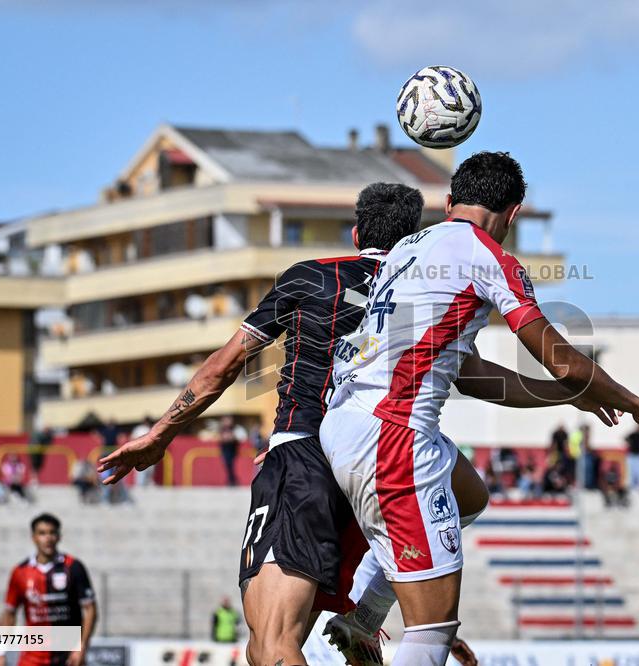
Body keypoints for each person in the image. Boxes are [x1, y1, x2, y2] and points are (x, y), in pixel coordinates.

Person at [96, 183, 585, 666]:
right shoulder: (419, 290)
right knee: (469, 498)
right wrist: (569, 390)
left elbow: (224, 367)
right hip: (381, 462)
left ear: (355, 235)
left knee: (271, 645)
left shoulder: (309, 278)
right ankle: (372, 613)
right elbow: (479, 380)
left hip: (307, 455)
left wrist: (160, 434)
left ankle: (374, 618)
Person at [319, 152, 639, 665]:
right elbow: (563, 361)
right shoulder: (489, 257)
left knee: (468, 494)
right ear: (513, 214)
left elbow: (471, 374)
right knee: (432, 631)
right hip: (393, 433)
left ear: (450, 202)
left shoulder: (408, 250)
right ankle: (366, 615)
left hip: (345, 420)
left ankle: (365, 616)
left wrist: (568, 395)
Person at [0, 513, 97, 666]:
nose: (48, 538)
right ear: (34, 537)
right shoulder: (20, 572)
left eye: (52, 533)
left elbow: (90, 609)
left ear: (59, 537)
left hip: (67, 656)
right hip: (32, 657)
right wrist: (1, 653)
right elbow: (9, 614)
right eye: (42, 533)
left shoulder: (73, 567)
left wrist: (82, 646)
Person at [217, 416, 246, 487]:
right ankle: (231, 480)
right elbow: (220, 439)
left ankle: (232, 480)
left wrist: (231, 437)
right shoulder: (222, 429)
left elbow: (239, 438)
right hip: (225, 450)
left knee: (231, 465)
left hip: (232, 450)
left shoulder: (235, 429)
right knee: (227, 465)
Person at [129, 416, 156, 487]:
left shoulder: (152, 429)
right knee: (140, 470)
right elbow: (132, 439)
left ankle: (148, 484)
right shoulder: (139, 429)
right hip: (140, 452)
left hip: (149, 452)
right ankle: (139, 486)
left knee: (150, 470)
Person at [625, 427, 639, 491]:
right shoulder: (632, 435)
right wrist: (630, 443)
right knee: (631, 471)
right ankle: (631, 485)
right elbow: (626, 438)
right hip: (632, 455)